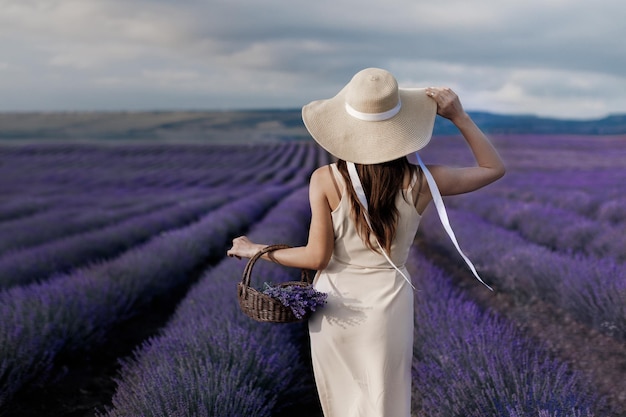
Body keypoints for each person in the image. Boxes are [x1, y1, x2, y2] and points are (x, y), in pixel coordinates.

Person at [227, 67, 505, 417]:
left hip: (334, 304)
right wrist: (459, 117)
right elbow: (492, 168)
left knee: (342, 401)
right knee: (384, 400)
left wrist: (256, 250)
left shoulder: (325, 179)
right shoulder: (422, 180)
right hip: (388, 305)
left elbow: (316, 257)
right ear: (401, 128)